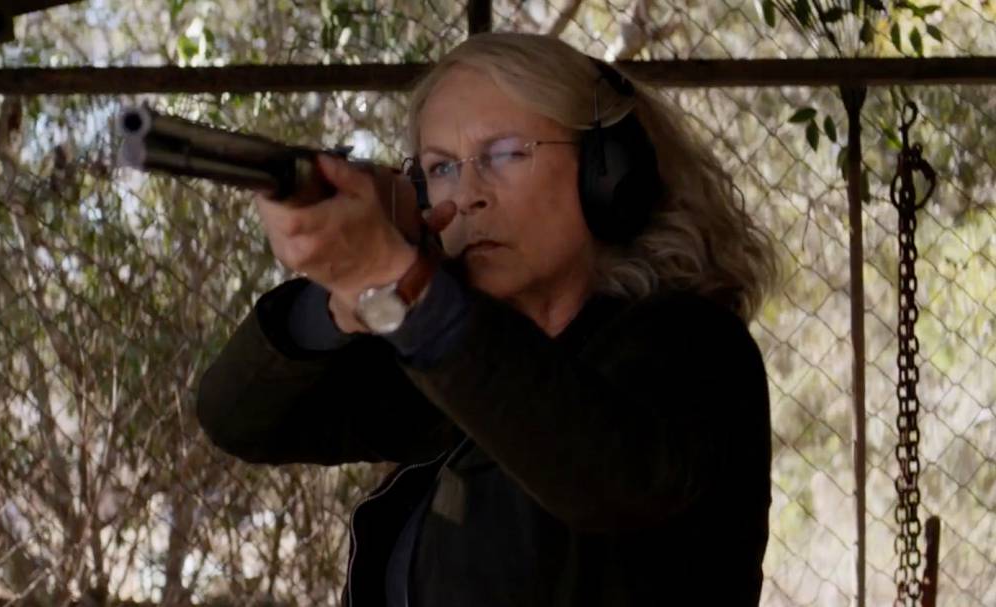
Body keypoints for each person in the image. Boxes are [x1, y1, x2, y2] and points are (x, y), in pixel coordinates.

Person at [196, 32, 778, 606]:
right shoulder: (452, 359)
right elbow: (237, 418)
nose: (469, 194)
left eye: (506, 154)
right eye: (442, 167)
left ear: (609, 171)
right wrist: (339, 303)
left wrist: (403, 286)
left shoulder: (696, 347)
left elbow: (602, 470)